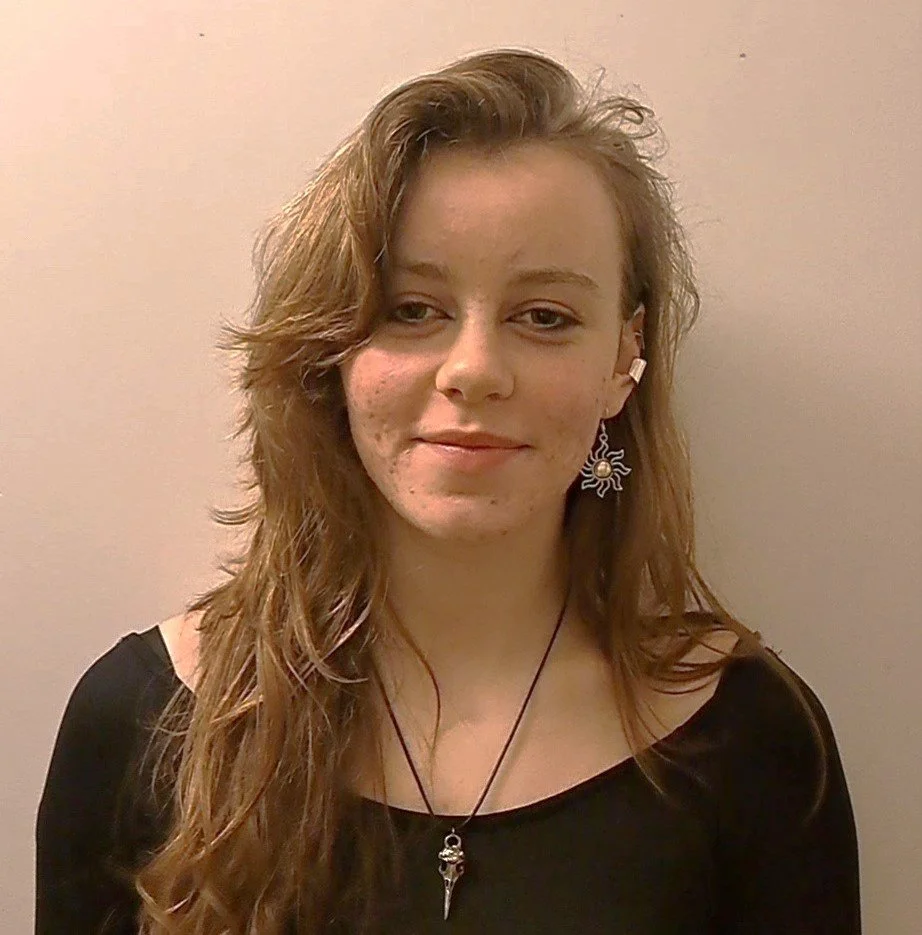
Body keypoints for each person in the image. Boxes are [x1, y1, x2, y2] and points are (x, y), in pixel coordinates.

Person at [35, 47, 860, 934]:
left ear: (626, 357)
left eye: (544, 317)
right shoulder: (141, 719)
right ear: (332, 351)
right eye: (412, 308)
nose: (473, 369)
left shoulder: (754, 740)